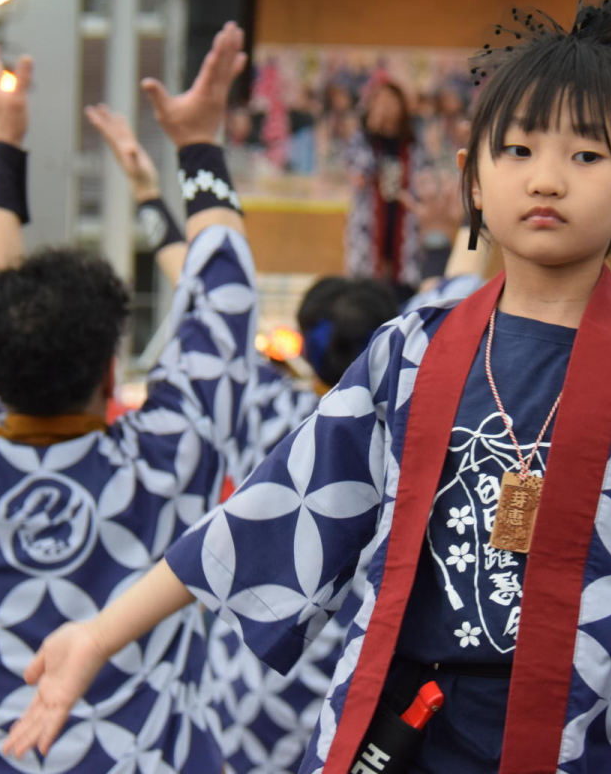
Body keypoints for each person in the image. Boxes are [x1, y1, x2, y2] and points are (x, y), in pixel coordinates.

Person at [7, 0, 611, 771]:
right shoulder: (410, 349)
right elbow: (271, 511)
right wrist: (98, 632)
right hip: (404, 731)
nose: (547, 177)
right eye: (519, 149)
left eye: (586, 154)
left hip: (594, 740)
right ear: (471, 178)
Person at [0, 22, 258, 773]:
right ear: (109, 371)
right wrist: (198, 145)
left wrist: (7, 137)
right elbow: (222, 306)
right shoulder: (165, 461)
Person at [87, 102, 488, 774]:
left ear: (305, 339)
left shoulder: (260, 397)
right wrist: (477, 204)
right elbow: (458, 287)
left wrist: (148, 193)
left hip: (252, 670)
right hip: (363, 674)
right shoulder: (414, 394)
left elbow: (200, 291)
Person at [343, 81, 431, 301]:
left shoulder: (413, 144)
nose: (386, 107)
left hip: (405, 220)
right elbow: (358, 174)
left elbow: (426, 180)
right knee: (366, 289)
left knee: (403, 286)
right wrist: (372, 132)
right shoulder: (362, 141)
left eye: (392, 102)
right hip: (370, 221)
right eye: (380, 102)